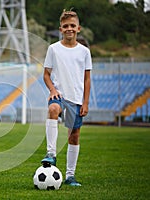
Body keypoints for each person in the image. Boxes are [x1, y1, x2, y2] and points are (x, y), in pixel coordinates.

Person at [41, 9, 92, 187]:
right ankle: (51, 154)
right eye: (65, 26)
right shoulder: (53, 49)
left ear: (78, 28)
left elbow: (87, 78)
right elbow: (46, 74)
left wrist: (85, 102)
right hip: (59, 95)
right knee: (52, 109)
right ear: (60, 29)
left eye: (72, 25)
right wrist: (52, 89)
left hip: (77, 99)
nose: (69, 28)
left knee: (74, 136)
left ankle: (70, 176)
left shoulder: (84, 51)